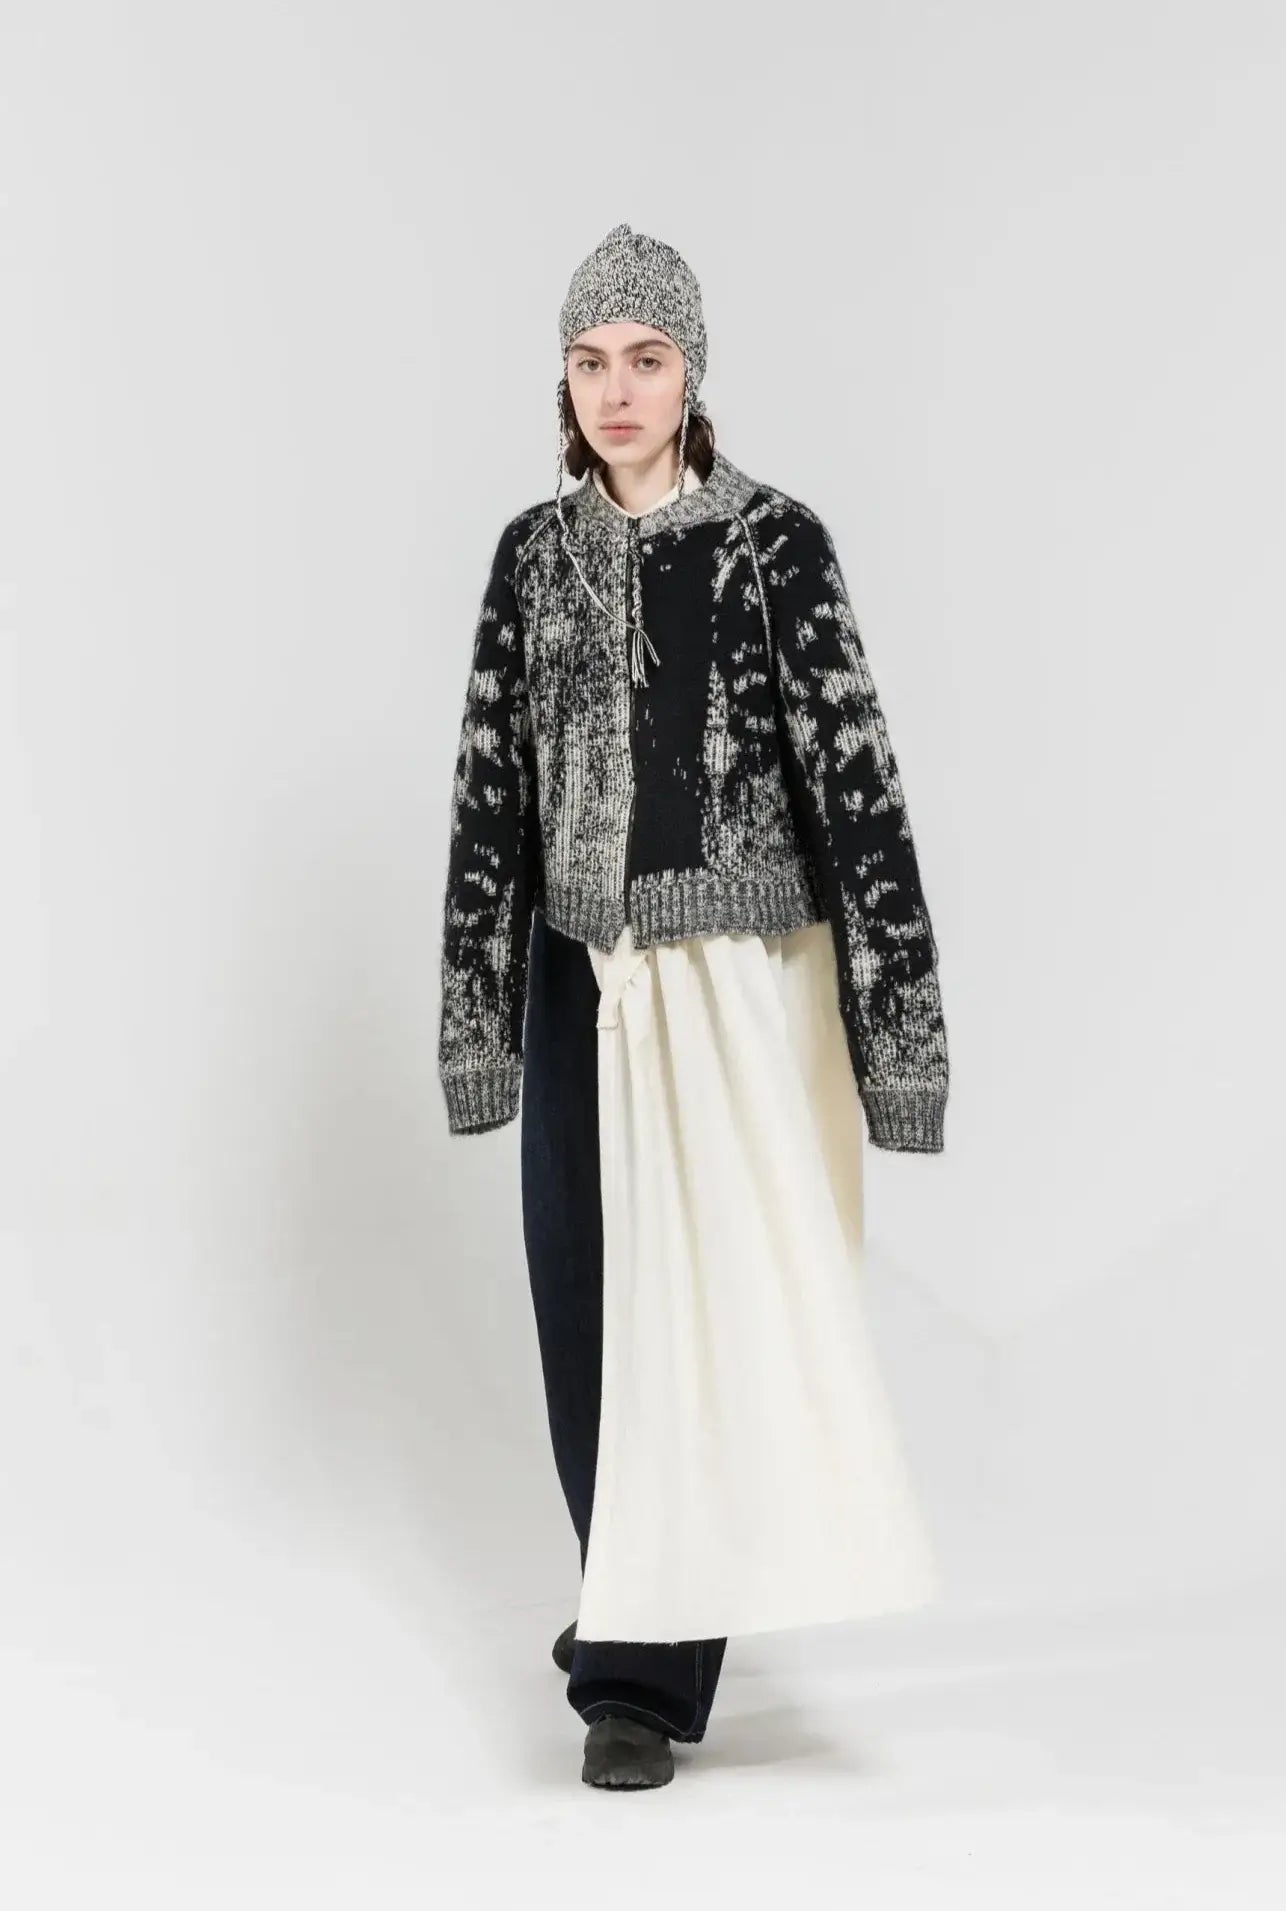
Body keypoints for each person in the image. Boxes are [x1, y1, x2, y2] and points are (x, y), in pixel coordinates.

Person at [438, 222, 950, 1790]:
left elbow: (856, 790)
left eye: (645, 360)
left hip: (734, 980)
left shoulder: (773, 546)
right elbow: (487, 795)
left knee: (706, 1321)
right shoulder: (530, 557)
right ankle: (629, 1594)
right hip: (572, 974)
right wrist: (478, 1021)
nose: (617, 390)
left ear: (691, 372)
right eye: (589, 362)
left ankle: (636, 1687)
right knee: (586, 1315)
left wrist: (897, 1036)